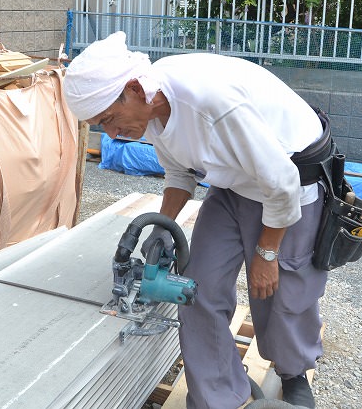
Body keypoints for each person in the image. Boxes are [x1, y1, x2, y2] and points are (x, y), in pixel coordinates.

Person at [62, 31, 328, 409]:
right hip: (234, 182)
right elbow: (179, 175)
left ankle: (293, 371)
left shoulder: (209, 102)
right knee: (198, 284)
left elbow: (282, 184)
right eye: (100, 126)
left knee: (281, 287)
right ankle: (219, 396)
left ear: (135, 89)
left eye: (110, 119)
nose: (112, 134)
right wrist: (161, 225)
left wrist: (267, 254)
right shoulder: (151, 113)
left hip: (291, 181)